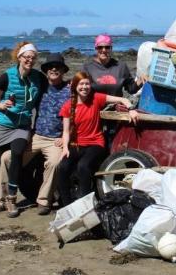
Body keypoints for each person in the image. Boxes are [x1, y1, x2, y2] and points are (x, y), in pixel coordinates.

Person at [0, 42, 47, 218]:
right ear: (19, 57)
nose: (30, 60)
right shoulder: (7, 76)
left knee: (16, 154)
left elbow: (52, 90)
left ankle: (11, 199)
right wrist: (1, 105)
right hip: (2, 125)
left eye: (33, 57)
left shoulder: (39, 78)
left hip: (22, 127)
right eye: (26, 57)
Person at [0, 53, 71, 215]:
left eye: (58, 67)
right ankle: (2, 199)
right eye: (50, 67)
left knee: (55, 163)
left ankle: (44, 201)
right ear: (46, 71)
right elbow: (19, 101)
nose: (54, 69)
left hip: (55, 140)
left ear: (63, 71)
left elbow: (81, 110)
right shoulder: (39, 88)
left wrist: (65, 137)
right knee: (6, 158)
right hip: (36, 136)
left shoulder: (70, 90)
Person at [57, 71, 139, 207]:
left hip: (96, 143)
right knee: (62, 168)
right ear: (75, 86)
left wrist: (131, 109)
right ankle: (66, 205)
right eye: (81, 84)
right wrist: (65, 148)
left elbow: (122, 99)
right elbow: (65, 131)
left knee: (83, 166)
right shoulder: (68, 106)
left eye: (87, 84)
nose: (84, 87)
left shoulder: (96, 98)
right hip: (77, 144)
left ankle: (86, 204)